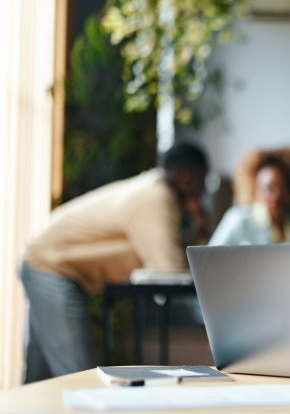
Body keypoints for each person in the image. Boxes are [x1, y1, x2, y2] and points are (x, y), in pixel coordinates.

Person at [19, 142, 209, 383]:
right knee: (79, 378)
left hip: (42, 262)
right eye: (203, 179)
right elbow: (169, 270)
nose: (203, 189)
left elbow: (163, 252)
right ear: (186, 176)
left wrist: (196, 227)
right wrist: (197, 226)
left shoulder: (153, 190)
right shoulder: (157, 198)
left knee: (39, 380)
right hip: (51, 267)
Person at [209, 147, 290, 246]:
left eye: (283, 188)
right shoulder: (238, 219)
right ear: (256, 190)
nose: (277, 195)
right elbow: (209, 257)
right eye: (269, 188)